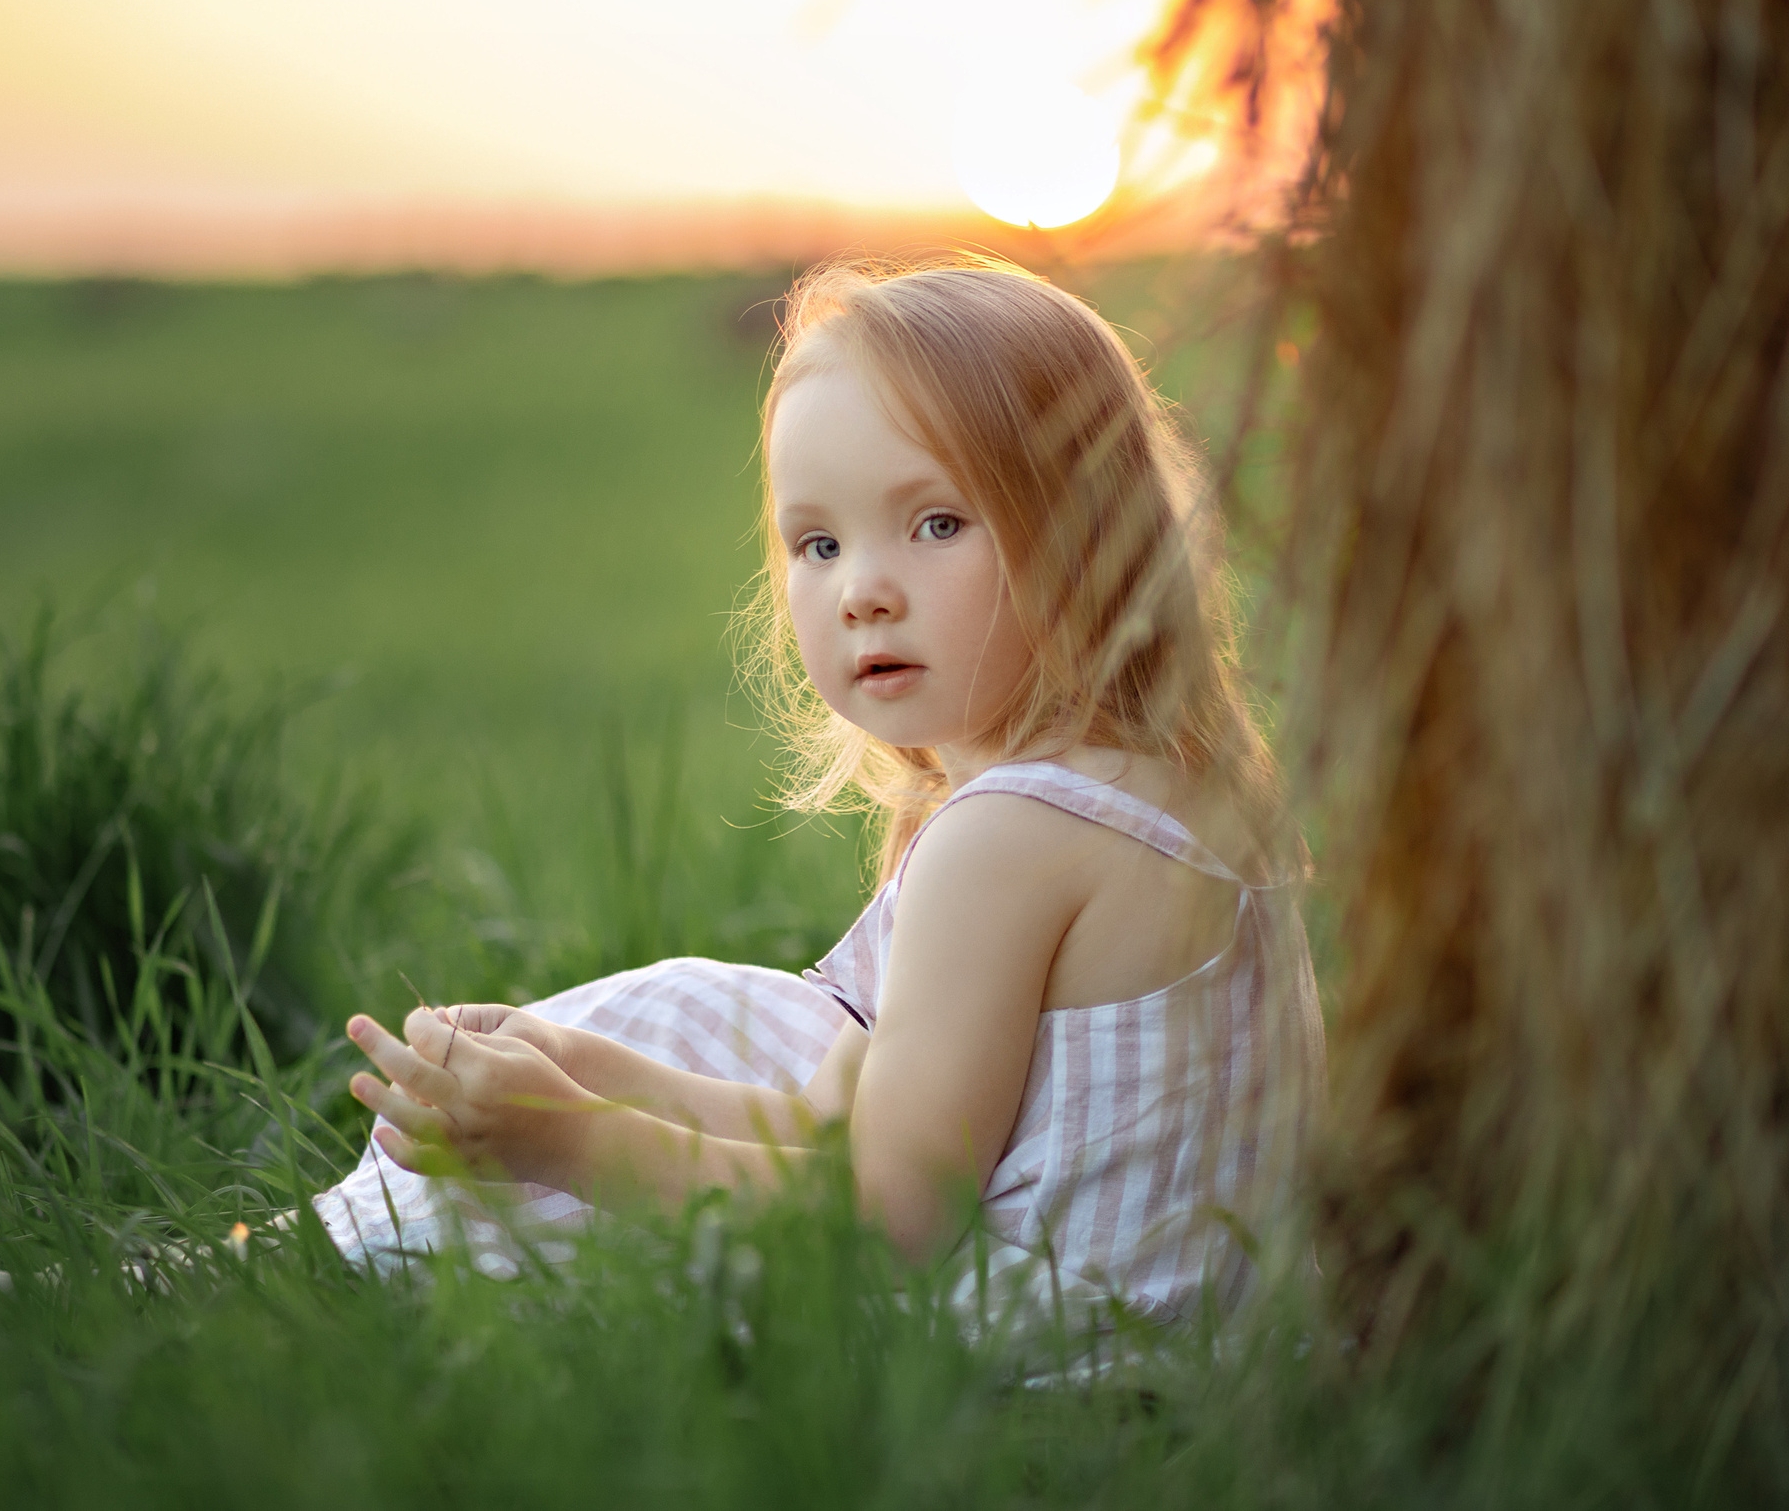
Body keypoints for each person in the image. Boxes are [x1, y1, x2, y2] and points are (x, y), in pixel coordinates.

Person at [319, 254, 1323, 1325]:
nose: (862, 592)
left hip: (1061, 1372)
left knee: (661, 1110)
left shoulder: (1013, 840)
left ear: (1094, 536)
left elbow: (886, 1214)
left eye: (936, 523)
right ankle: (312, 1259)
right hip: (1209, 1361)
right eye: (818, 543)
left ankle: (307, 1268)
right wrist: (578, 1066)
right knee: (676, 1023)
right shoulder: (1169, 792)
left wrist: (567, 1139)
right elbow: (830, 1122)